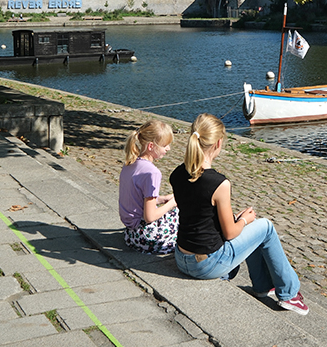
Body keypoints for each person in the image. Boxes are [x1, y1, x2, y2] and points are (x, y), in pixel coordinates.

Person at [170, 112, 309, 313]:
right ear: (218, 143)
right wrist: (244, 220)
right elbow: (230, 233)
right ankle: (289, 294)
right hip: (207, 264)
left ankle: (262, 287)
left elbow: (198, 214)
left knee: (252, 228)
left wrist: (237, 219)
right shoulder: (219, 183)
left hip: (182, 258)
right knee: (265, 227)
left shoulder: (177, 174)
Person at [118, 119, 179, 254]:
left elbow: (136, 198)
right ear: (151, 146)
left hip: (131, 234)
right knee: (181, 211)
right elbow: (149, 217)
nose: (168, 149)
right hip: (147, 237)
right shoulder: (152, 173)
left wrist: (162, 199)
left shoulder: (130, 163)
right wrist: (173, 202)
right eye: (165, 145)